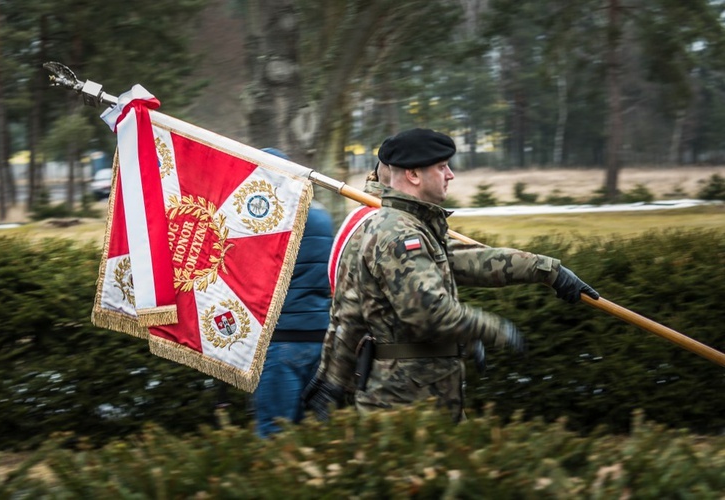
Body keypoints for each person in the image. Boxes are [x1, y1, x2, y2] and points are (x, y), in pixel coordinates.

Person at [303, 129, 599, 422]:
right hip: (404, 403)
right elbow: (429, 313)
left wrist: (548, 270)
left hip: (425, 393)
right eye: (442, 167)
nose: (451, 175)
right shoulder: (398, 234)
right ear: (414, 176)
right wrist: (493, 329)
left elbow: (474, 261)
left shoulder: (415, 225)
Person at [252, 147, 334, 437]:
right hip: (320, 337)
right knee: (322, 436)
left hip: (282, 340)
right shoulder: (321, 213)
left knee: (275, 435)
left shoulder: (269, 218)